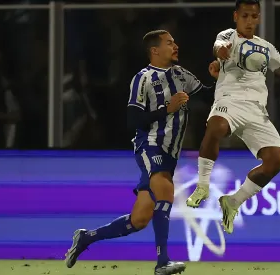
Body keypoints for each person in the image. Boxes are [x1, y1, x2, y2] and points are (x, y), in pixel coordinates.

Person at [65, 30, 212, 275]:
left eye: (174, 41)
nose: (175, 45)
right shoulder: (142, 79)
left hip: (170, 152)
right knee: (165, 189)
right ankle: (162, 262)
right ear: (155, 51)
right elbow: (133, 121)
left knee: (139, 219)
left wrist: (218, 79)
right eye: (169, 43)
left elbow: (207, 94)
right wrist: (168, 108)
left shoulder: (181, 75)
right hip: (150, 145)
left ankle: (86, 237)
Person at [185, 0, 280, 234]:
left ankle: (232, 202)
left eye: (254, 16)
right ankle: (203, 185)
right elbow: (219, 46)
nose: (250, 20)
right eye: (245, 15)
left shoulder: (267, 47)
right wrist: (221, 52)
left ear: (259, 18)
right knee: (216, 126)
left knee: (276, 160)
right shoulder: (228, 35)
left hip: (257, 111)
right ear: (236, 16)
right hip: (229, 101)